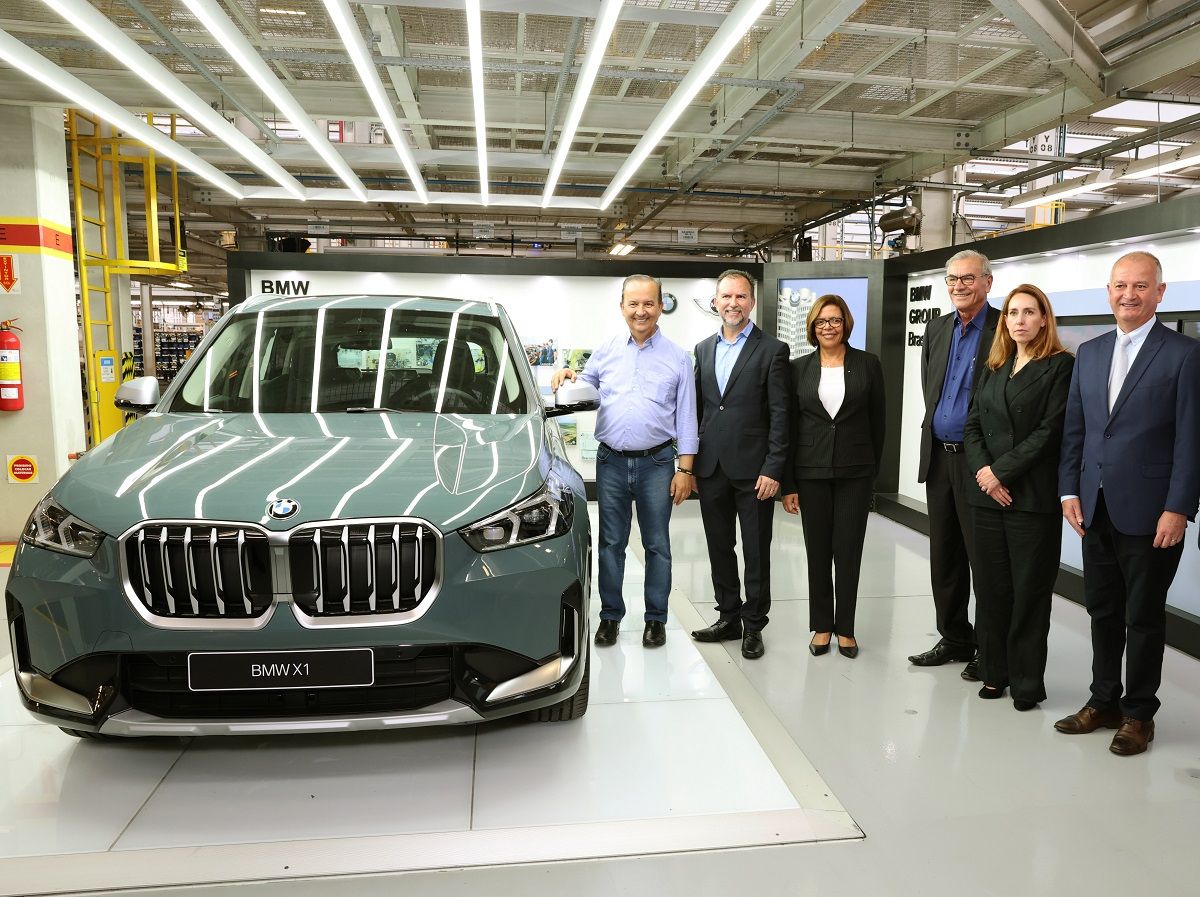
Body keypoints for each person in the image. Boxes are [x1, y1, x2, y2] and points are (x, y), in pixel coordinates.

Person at [1055, 251, 1200, 755]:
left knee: (1143, 615)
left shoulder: (1184, 354)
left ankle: (1139, 714)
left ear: (1160, 293)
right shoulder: (1091, 353)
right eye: (1120, 285)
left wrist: (1179, 507)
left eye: (1140, 286)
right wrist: (1069, 490)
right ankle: (1103, 701)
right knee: (1102, 610)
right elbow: (1076, 429)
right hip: (1094, 506)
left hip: (1153, 511)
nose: (1129, 295)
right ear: (1109, 291)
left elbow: (1191, 440)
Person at [551, 274, 697, 649]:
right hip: (611, 463)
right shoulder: (607, 350)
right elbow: (583, 386)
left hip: (657, 463)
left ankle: (655, 620)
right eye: (633, 304)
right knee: (610, 544)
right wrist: (568, 375)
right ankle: (610, 617)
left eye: (648, 303)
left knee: (657, 545)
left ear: (660, 307)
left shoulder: (678, 358)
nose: (640, 311)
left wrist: (685, 470)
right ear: (622, 308)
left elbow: (687, 419)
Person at [963, 284, 1074, 711]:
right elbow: (973, 424)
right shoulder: (995, 365)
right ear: (1005, 320)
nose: (1020, 320)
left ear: (1044, 319)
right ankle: (994, 672)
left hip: (1031, 498)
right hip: (988, 498)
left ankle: (1026, 682)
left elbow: (1050, 432)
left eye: (1029, 312)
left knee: (1029, 593)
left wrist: (1000, 472)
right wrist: (985, 475)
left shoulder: (1060, 366)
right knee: (991, 590)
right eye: (1012, 313)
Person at [909, 249, 1002, 680]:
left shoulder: (1003, 328)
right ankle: (954, 637)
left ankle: (989, 647)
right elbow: (931, 387)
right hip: (939, 459)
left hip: (980, 464)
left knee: (984, 560)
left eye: (968, 278)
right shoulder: (938, 328)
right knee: (944, 556)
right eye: (952, 279)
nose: (959, 286)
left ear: (987, 282)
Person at [689, 269, 790, 660]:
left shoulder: (772, 350)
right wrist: (690, 465)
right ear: (715, 302)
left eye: (741, 296)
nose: (733, 303)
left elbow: (781, 414)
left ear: (752, 302)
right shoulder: (702, 349)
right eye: (726, 296)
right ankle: (728, 617)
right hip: (711, 467)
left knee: (756, 551)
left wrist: (774, 468)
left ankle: (754, 626)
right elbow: (699, 410)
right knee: (719, 547)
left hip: (755, 471)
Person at [781, 294, 885, 658]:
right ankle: (822, 625)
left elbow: (878, 423)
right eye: (822, 321)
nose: (829, 327)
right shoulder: (798, 369)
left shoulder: (868, 364)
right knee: (818, 551)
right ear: (812, 326)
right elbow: (790, 427)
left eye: (835, 320)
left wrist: (872, 475)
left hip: (856, 472)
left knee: (848, 551)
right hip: (810, 471)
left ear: (846, 324)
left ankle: (847, 628)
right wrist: (788, 484)